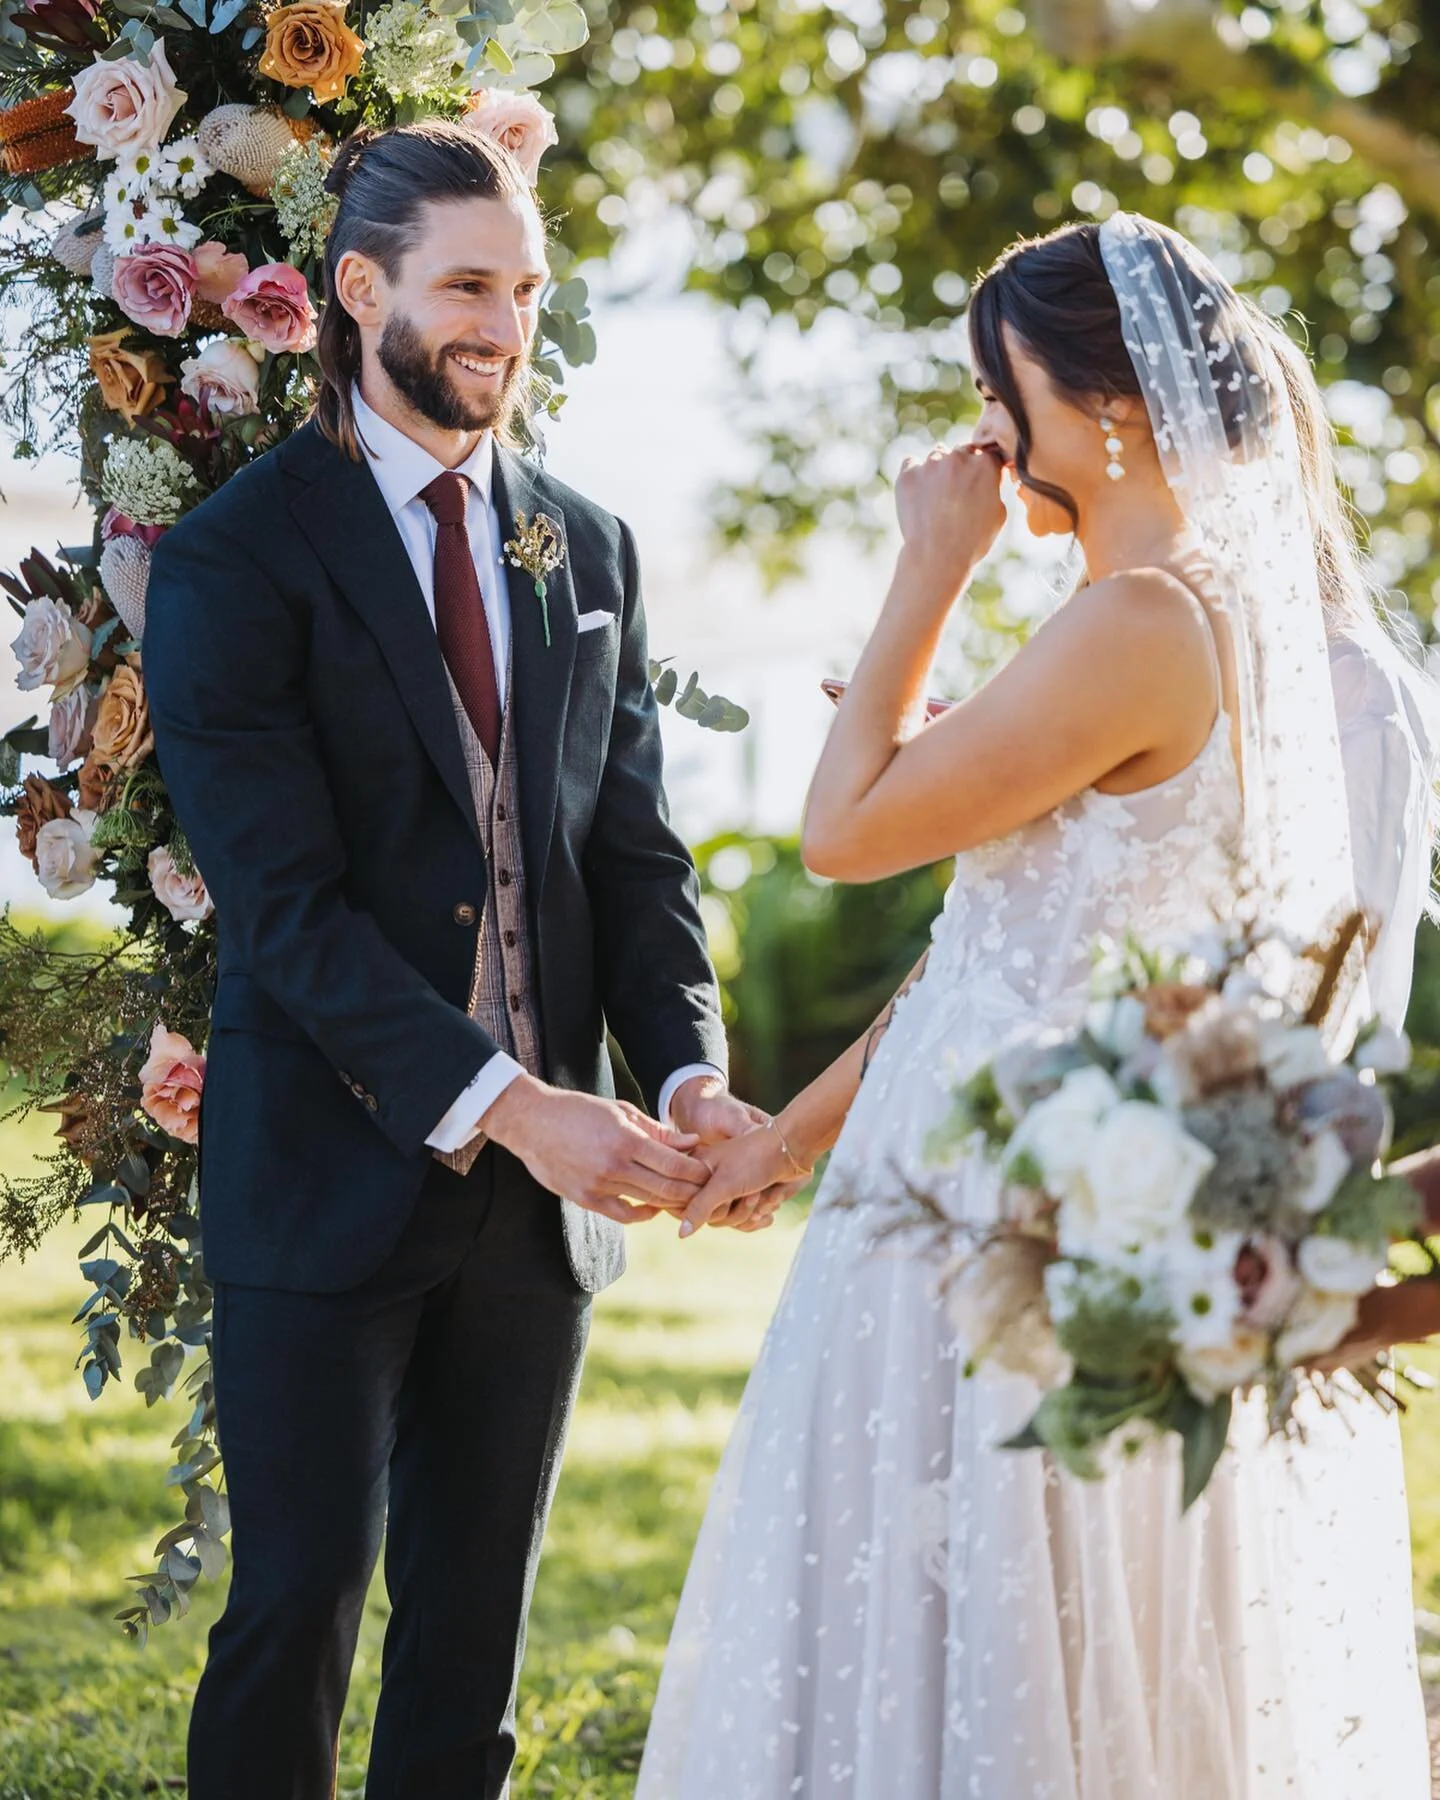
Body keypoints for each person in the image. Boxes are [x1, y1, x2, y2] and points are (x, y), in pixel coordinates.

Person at [638, 216, 1431, 1798]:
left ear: (1112, 404)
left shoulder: (1146, 620)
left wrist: (928, 567)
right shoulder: (1234, 629)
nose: (983, 430)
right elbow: (998, 945)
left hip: (1002, 1222)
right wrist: (787, 1142)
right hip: (979, 1191)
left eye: (999, 389)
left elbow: (844, 834)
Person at [144, 120, 764, 1800]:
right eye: (470, 285)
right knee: (297, 1611)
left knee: (471, 1644)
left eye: (531, 289)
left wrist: (688, 1070)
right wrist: (513, 1101)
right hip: (321, 1174)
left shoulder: (589, 547)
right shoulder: (235, 559)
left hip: (536, 1222)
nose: (508, 323)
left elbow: (630, 861)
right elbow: (284, 911)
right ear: (360, 291)